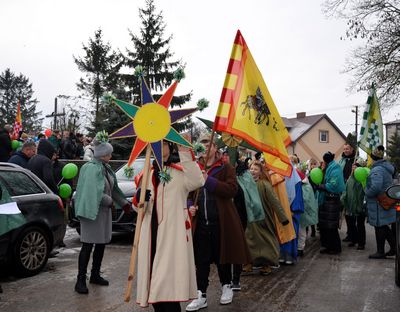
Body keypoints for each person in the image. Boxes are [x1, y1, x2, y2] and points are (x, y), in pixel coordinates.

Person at [133, 140, 204, 311]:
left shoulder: (180, 172)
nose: (159, 147)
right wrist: (138, 199)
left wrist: (186, 153)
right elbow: (138, 209)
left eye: (163, 143)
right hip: (151, 236)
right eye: (154, 143)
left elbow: (197, 182)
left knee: (169, 289)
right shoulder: (144, 176)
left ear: (170, 147)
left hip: (172, 236)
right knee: (155, 288)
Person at [186, 133, 251, 311]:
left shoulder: (225, 167)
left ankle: (226, 286)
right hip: (201, 222)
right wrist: (190, 205)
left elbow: (232, 189)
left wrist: (209, 180)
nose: (206, 147)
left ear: (216, 148)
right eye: (203, 144)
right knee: (201, 260)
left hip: (221, 221)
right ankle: (201, 294)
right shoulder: (194, 168)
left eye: (210, 144)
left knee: (223, 257)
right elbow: (189, 193)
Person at [73, 132, 129, 294]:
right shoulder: (90, 168)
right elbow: (94, 192)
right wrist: (110, 202)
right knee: (88, 244)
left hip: (103, 213)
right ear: (102, 154)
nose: (111, 155)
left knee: (101, 243)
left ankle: (95, 274)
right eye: (109, 153)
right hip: (91, 212)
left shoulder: (105, 168)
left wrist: (124, 203)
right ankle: (80, 280)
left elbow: (113, 189)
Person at [247, 160, 289, 274]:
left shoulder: (265, 184)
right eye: (251, 168)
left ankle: (267, 264)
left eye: (255, 169)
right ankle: (248, 263)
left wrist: (283, 218)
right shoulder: (246, 183)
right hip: (249, 219)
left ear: (260, 172)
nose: (252, 171)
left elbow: (274, 201)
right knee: (249, 240)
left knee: (266, 241)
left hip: (264, 218)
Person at [365, 145, 396, 259]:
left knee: (380, 227)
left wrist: (366, 192)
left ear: (373, 157)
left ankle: (381, 251)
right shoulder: (385, 167)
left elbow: (376, 187)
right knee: (383, 227)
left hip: (378, 203)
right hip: (383, 201)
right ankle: (392, 249)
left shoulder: (377, 169)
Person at [316, 152, 345, 255]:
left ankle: (336, 248)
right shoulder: (329, 167)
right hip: (326, 200)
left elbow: (333, 185)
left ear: (326, 160)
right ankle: (328, 246)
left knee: (331, 227)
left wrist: (320, 186)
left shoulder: (335, 168)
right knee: (325, 226)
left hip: (332, 200)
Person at [341, 160, 366, 250]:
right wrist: (343, 199)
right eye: (352, 168)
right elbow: (345, 190)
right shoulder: (350, 179)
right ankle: (354, 239)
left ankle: (361, 243)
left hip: (360, 207)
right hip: (350, 206)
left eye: (355, 168)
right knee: (351, 224)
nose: (353, 170)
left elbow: (363, 193)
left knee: (360, 225)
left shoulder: (362, 179)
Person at [338, 143, 356, 242]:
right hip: (343, 189)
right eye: (344, 149)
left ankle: (354, 236)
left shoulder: (355, 160)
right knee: (346, 214)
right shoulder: (342, 160)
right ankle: (349, 234)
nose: (345, 150)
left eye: (347, 149)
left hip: (352, 189)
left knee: (351, 214)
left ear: (352, 149)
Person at [298, 170, 318, 257]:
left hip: (302, 212)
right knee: (299, 230)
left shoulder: (305, 186)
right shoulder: (304, 185)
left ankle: (300, 248)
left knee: (301, 230)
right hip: (298, 211)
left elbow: (306, 199)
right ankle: (298, 247)